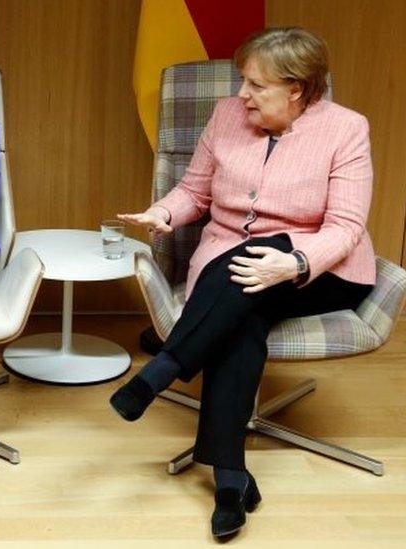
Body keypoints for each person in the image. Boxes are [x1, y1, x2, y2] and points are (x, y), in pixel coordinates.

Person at [110, 27, 375, 539]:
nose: (241, 95)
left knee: (264, 255)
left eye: (255, 85)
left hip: (319, 271)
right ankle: (230, 478)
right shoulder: (227, 116)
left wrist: (294, 261)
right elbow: (194, 190)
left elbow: (344, 228)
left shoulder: (346, 130)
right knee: (243, 312)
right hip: (232, 272)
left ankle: (163, 369)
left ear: (296, 88)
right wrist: (165, 212)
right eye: (242, 81)